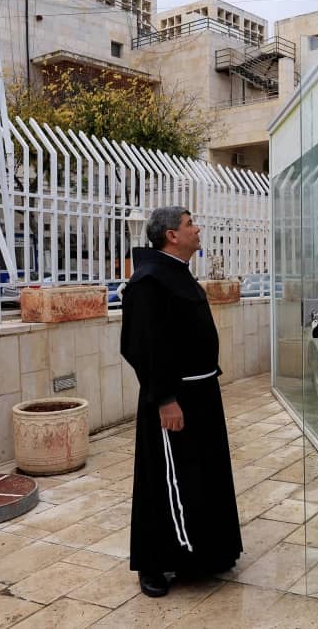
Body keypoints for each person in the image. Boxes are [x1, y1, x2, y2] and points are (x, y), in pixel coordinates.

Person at [120, 206, 242, 597]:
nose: (198, 228)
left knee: (203, 474)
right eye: (191, 224)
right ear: (171, 235)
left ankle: (205, 553)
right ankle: (153, 564)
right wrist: (166, 399)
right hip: (174, 397)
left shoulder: (176, 274)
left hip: (202, 392)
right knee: (167, 481)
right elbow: (142, 347)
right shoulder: (148, 282)